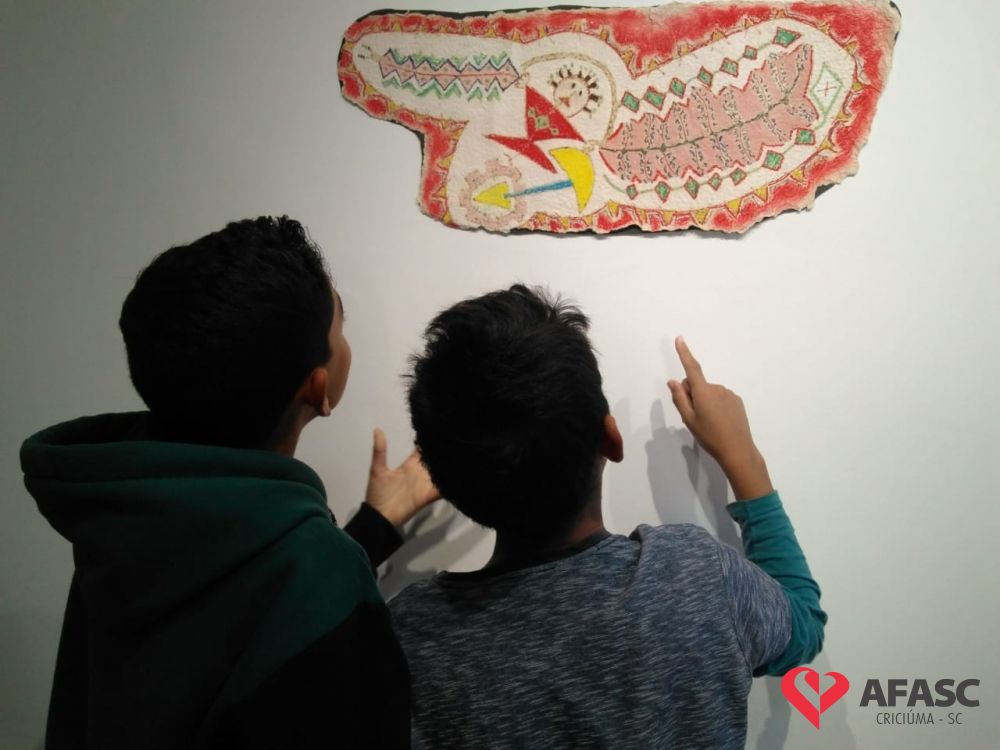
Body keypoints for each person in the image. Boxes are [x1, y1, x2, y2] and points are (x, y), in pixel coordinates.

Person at [20, 216, 438, 748]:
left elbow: (220, 634)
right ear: (319, 388)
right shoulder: (320, 567)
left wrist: (373, 527)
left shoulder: (123, 519)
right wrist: (338, 560)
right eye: (341, 328)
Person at [391, 284, 827, 749]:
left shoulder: (408, 637)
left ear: (445, 482)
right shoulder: (695, 576)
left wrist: (376, 524)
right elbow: (803, 622)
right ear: (611, 439)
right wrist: (744, 459)